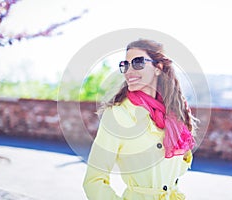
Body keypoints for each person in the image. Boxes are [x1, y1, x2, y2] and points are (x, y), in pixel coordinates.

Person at [83, 39, 197, 200]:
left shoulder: (174, 115)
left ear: (158, 68)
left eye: (138, 62)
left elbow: (173, 171)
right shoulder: (117, 115)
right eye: (125, 64)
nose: (129, 70)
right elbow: (94, 181)